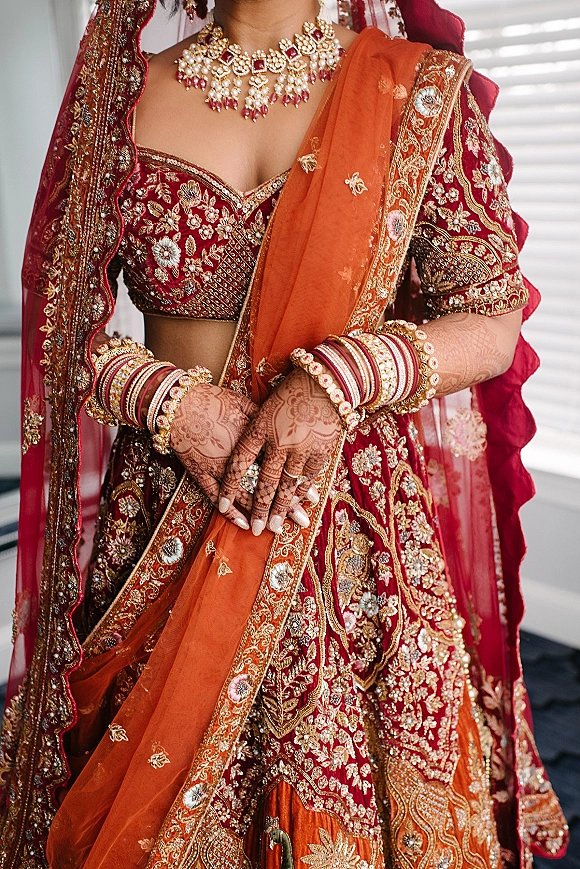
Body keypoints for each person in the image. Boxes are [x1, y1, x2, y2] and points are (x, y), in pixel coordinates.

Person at [0, 0, 569, 866]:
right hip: (169, 513)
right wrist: (170, 401)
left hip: (352, 536)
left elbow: (491, 318)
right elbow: (56, 320)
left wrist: (338, 377)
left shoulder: (414, 89)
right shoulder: (121, 96)